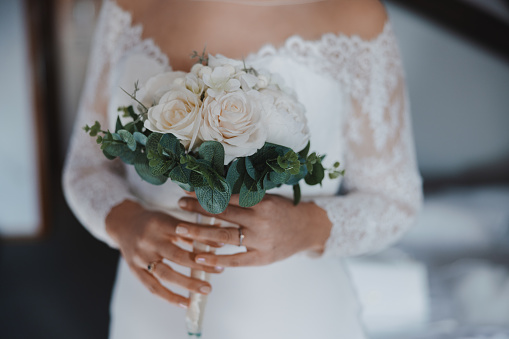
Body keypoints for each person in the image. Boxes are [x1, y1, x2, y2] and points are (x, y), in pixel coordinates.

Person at [62, 0, 423, 338]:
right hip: (149, 309)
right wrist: (125, 223)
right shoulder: (126, 6)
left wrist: (307, 227)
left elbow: (396, 199)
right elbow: (85, 167)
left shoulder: (354, 13)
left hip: (292, 315)